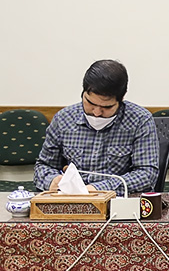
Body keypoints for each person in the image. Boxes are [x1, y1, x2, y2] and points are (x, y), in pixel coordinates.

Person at [34, 60, 159, 195]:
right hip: (72, 200)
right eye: (90, 103)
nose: (97, 112)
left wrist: (97, 189)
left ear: (121, 100)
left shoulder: (140, 120)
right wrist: (51, 180)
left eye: (107, 107)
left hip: (118, 201)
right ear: (83, 93)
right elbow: (44, 166)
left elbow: (146, 175)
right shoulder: (63, 119)